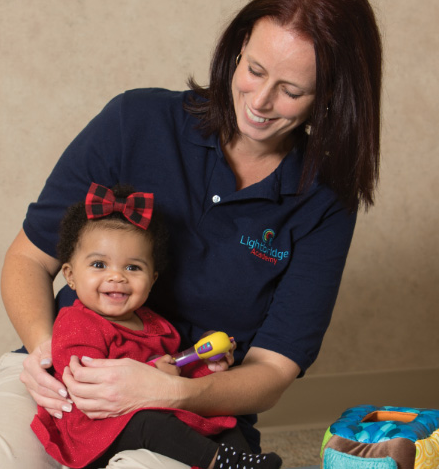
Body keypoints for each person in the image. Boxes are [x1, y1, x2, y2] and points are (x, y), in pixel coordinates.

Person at [0, 0, 382, 468]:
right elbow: (28, 258)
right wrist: (51, 354)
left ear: (332, 96)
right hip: (65, 376)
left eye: (292, 91)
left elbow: (273, 369)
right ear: (236, 50)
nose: (260, 101)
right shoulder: (135, 121)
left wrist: (172, 390)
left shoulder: (326, 199)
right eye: (254, 70)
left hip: (192, 407)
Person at [31, 182, 282, 469]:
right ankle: (216, 462)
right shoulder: (77, 323)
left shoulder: (156, 325)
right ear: (70, 275)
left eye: (132, 267)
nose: (117, 277)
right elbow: (84, 382)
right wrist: (154, 373)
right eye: (99, 265)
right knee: (150, 424)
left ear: (152, 280)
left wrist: (204, 360)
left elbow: (177, 369)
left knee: (221, 421)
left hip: (156, 409)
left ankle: (242, 464)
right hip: (98, 425)